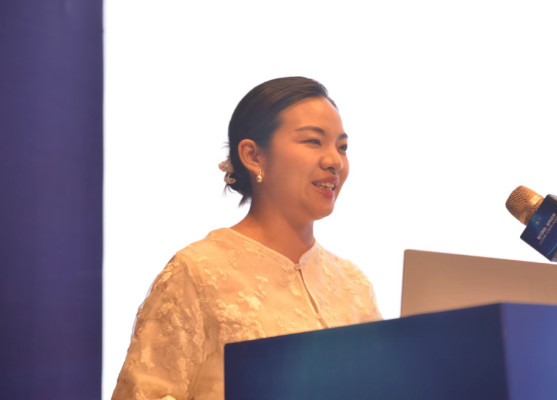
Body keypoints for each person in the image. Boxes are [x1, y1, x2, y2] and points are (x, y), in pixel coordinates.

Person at [111, 77, 382, 400]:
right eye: (313, 141)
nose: (334, 161)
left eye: (342, 147)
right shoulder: (197, 272)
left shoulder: (353, 285)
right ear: (253, 156)